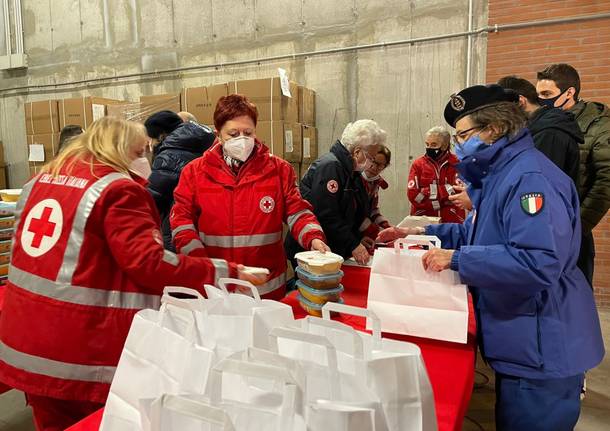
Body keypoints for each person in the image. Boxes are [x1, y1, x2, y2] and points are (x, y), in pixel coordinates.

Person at [0, 117, 261, 430]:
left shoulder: (40, 181)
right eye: (139, 152)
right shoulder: (117, 190)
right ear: (116, 150)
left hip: (27, 342)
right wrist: (225, 272)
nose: (146, 159)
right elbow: (150, 263)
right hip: (79, 350)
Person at [378, 84, 604, 431]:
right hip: (524, 340)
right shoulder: (503, 173)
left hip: (543, 343)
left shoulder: (530, 179)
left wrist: (456, 260)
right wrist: (419, 234)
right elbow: (481, 234)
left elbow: (538, 262)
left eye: (464, 135)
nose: (459, 145)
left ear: (494, 129)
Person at [171, 94, 329, 300]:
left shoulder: (279, 170)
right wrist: (199, 260)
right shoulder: (194, 173)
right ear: (218, 134)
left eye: (248, 133)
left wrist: (314, 238)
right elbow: (181, 221)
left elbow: (297, 211)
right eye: (233, 134)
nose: (242, 140)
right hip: (216, 287)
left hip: (265, 288)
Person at [536, 63, 610, 287]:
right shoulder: (540, 123)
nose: (541, 100)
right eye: (538, 94)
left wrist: (578, 226)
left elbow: (605, 182)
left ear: (570, 92)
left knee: (574, 301)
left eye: (547, 94)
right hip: (542, 225)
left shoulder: (599, 126)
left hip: (573, 228)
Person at [285, 119, 386, 266]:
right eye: (371, 158)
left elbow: (351, 212)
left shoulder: (351, 171)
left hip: (333, 247)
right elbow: (326, 215)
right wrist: (353, 244)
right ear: (357, 152)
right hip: (313, 250)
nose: (371, 163)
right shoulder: (330, 167)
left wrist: (357, 238)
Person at [147, 114, 216, 250]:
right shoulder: (204, 143)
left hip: (177, 230)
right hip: (206, 227)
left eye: (150, 139)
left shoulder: (169, 155)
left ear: (160, 136)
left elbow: (151, 199)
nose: (149, 145)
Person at [498, 75, 582, 186]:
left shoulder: (549, 133)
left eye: (502, 109)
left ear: (520, 101)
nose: (499, 116)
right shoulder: (535, 129)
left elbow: (540, 184)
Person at [407, 126, 466, 223]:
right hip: (423, 221)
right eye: (427, 144)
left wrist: (426, 191)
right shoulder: (418, 165)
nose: (429, 148)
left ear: (445, 145)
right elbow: (414, 196)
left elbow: (459, 193)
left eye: (434, 145)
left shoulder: (458, 163)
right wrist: (444, 197)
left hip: (452, 221)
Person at [359, 145, 392, 250]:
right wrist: (375, 231)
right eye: (373, 161)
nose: (374, 167)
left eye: (380, 166)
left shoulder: (375, 182)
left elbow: (372, 209)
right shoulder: (355, 180)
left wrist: (385, 225)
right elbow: (353, 214)